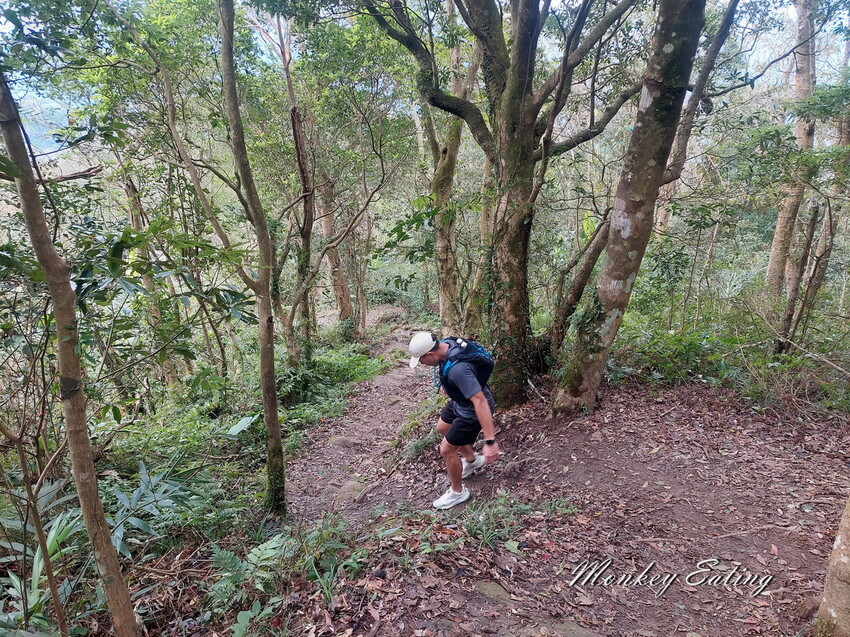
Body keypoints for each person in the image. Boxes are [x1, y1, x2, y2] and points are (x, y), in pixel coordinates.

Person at [408, 331, 500, 509]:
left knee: (446, 450)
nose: (422, 364)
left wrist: (490, 440)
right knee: (443, 428)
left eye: (421, 360)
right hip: (460, 401)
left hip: (472, 411)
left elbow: (480, 401)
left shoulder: (459, 371)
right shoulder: (447, 343)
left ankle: (458, 492)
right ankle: (472, 460)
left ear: (430, 354)